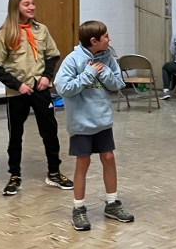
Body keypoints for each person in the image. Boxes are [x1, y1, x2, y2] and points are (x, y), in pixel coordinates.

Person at [0, 0, 71, 196]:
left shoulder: (41, 30)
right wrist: (17, 85)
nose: (32, 7)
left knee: (49, 131)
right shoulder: (5, 33)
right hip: (18, 92)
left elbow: (53, 55)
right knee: (15, 134)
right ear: (16, 8)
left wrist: (47, 77)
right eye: (26, 4)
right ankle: (14, 175)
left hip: (40, 88)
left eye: (33, 3)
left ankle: (54, 172)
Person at [54, 20, 134, 231]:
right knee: (83, 162)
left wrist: (104, 73)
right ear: (93, 41)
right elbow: (63, 88)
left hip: (102, 120)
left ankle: (112, 203)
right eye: (106, 36)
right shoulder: (73, 60)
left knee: (108, 157)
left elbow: (118, 84)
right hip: (81, 123)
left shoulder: (108, 57)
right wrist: (88, 74)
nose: (109, 39)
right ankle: (78, 208)